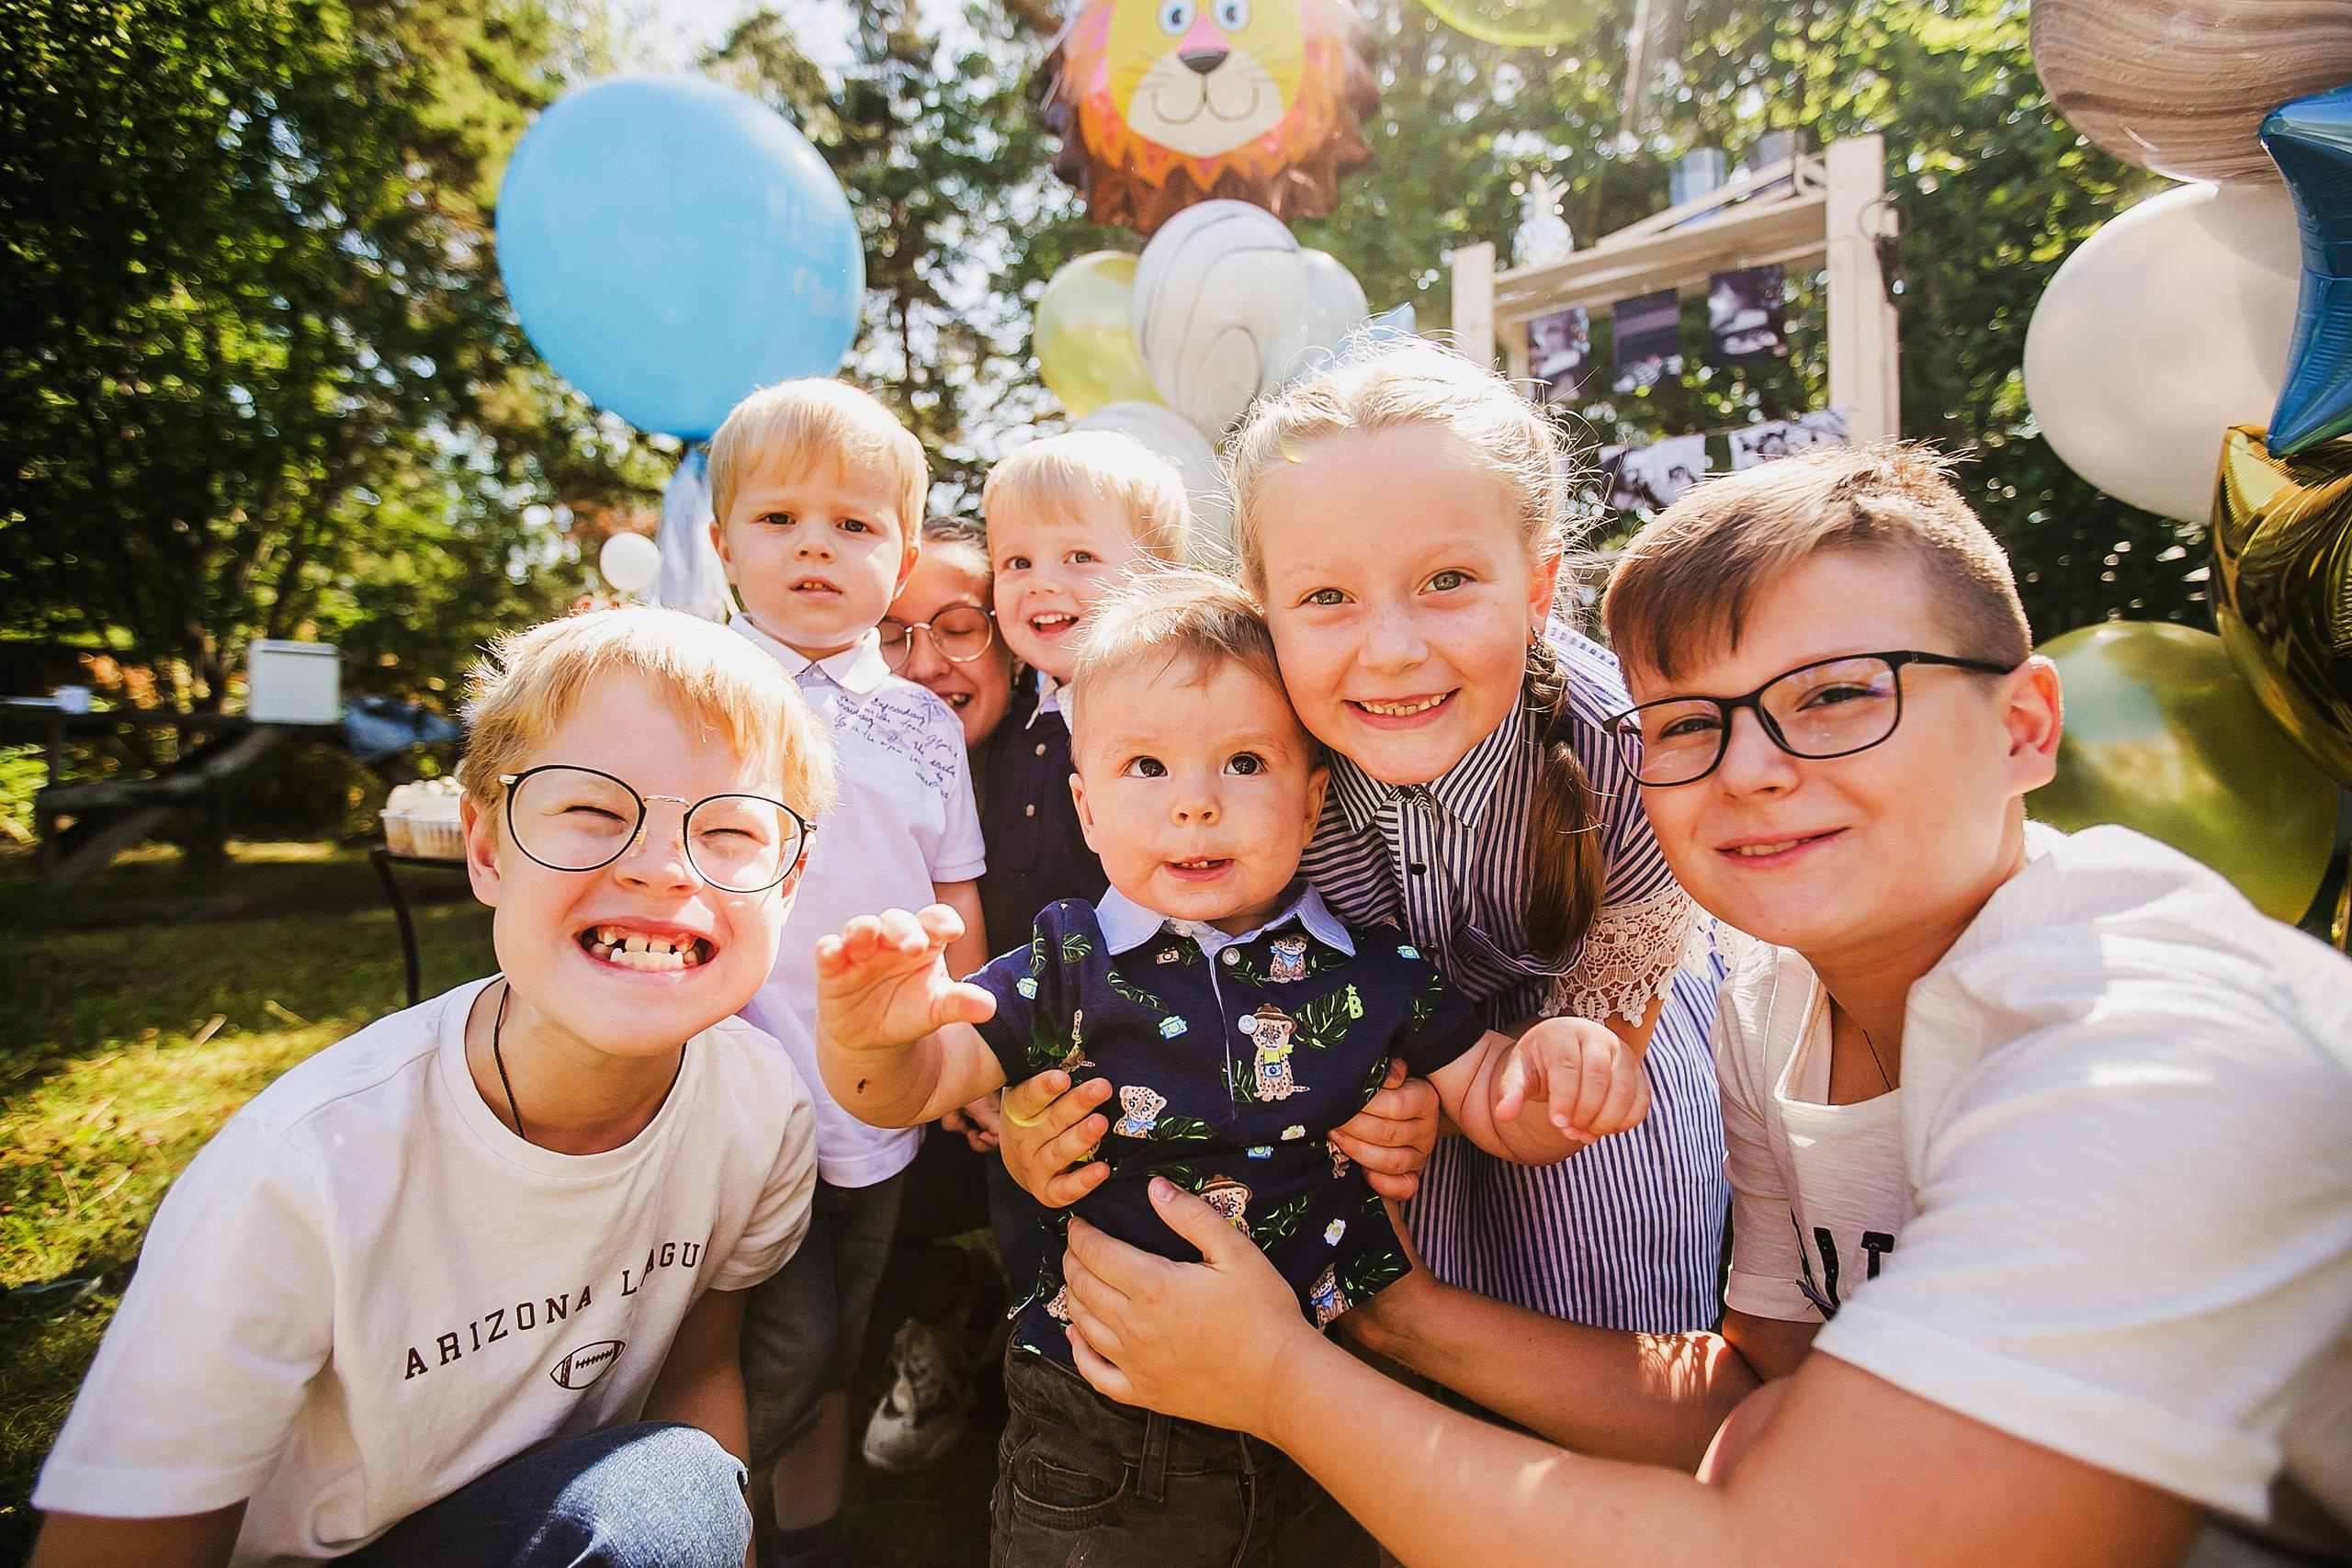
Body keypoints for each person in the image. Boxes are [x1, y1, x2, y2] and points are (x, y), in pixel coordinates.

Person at [1041, 444, 2352, 1567]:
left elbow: (1781, 1543)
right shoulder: (1771, 1003)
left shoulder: (2152, 1045)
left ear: (2023, 724)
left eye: (1838, 693)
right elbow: (1747, 1402)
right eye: (1687, 723)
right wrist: (1372, 1300)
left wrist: (1280, 1377)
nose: (1754, 770)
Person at [813, 568, 1654, 1568]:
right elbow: (905, 1089)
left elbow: (1494, 1103)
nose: (1196, 806)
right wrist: (867, 1039)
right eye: (1147, 768)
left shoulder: (1377, 970)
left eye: (1243, 763)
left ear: (1311, 803)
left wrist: (1559, 1066)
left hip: (1338, 1407)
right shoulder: (1063, 966)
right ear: (1086, 808)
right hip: (1111, 1417)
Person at [29, 607, 831, 1568]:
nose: (660, 867)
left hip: (569, 1527)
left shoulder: (760, 1108)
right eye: (590, 809)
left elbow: (697, 1376)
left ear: (789, 881)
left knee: (672, 1492)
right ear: (486, 849)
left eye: (733, 828)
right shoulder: (301, 1172)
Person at [1005, 338, 1729, 1336]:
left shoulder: (1623, 751)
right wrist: (1048, 1124)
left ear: (1535, 584)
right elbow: (1186, 977)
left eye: (1445, 582)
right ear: (1266, 612)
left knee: (1593, 1309)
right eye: (1326, 598)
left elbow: (1580, 1079)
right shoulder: (1253, 757)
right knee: (1356, 1314)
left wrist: (1560, 1070)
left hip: (1567, 1061)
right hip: (1343, 1065)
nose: (1390, 652)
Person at [707, 379, 990, 1568]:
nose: (817, 544)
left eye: (855, 524)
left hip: (870, 1102)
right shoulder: (701, 690)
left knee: (835, 1342)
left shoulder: (922, 723)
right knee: (752, 1347)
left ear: (905, 552)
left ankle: (811, 1532)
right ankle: (700, 1524)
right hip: (721, 1097)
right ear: (722, 545)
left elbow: (957, 893)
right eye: (779, 520)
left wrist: (970, 1054)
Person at [861, 514, 1019, 1474]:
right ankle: (939, 1305)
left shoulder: (1075, 770)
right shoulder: (848, 777)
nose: (924, 664)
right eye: (892, 633)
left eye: (959, 626)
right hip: (890, 1093)